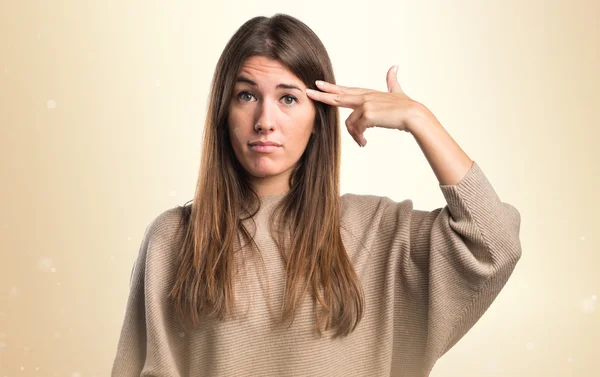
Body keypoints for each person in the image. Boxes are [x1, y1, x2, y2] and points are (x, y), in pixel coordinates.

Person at [111, 13, 522, 377]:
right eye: (247, 95)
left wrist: (419, 119)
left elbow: (494, 241)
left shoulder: (376, 232)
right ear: (224, 112)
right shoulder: (174, 239)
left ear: (317, 121)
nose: (265, 121)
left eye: (288, 98)